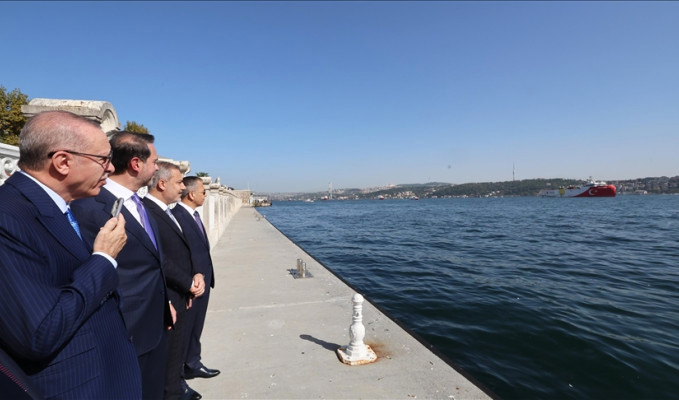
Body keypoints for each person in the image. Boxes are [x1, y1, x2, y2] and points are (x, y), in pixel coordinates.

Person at [0, 111, 142, 398]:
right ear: (63, 162)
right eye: (103, 159)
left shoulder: (59, 205)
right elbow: (39, 332)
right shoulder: (8, 218)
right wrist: (103, 259)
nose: (111, 168)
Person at [72, 131, 174, 400]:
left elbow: (151, 263)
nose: (157, 168)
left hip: (155, 323)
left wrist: (165, 303)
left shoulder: (139, 203)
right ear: (136, 164)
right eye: (154, 161)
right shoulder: (88, 207)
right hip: (124, 332)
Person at [143, 162, 205, 400]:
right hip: (169, 293)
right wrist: (187, 283)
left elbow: (186, 250)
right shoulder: (148, 211)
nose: (182, 187)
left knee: (177, 350)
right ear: (162, 184)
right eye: (179, 182)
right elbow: (160, 257)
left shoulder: (167, 211)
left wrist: (196, 275)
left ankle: (178, 386)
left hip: (181, 291)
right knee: (169, 355)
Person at [173, 176, 220, 381]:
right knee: (185, 329)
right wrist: (188, 282)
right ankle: (179, 372)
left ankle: (193, 362)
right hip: (192, 284)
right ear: (191, 194)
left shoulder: (192, 215)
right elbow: (178, 254)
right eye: (203, 192)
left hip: (203, 281)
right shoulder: (177, 217)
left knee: (196, 326)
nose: (205, 195)